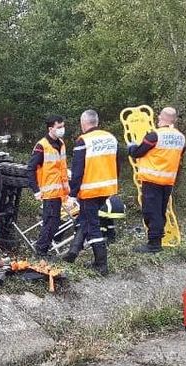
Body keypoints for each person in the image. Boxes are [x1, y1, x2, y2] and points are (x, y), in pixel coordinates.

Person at [62, 110, 119, 276]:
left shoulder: (84, 141)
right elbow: (117, 163)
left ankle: (101, 264)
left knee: (92, 225)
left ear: (83, 123)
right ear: (96, 122)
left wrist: (72, 194)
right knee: (86, 219)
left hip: (90, 190)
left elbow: (78, 170)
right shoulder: (111, 138)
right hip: (107, 188)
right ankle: (72, 253)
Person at [128, 107, 186, 253]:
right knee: (160, 212)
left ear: (161, 118)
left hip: (152, 180)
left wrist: (131, 146)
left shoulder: (155, 136)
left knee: (151, 212)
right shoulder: (181, 138)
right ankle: (157, 240)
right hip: (168, 182)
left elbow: (137, 152)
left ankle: (154, 244)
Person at [27, 115, 70, 258]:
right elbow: (31, 168)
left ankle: (43, 248)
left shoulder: (61, 143)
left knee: (55, 222)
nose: (62, 129)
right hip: (48, 191)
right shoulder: (42, 145)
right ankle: (41, 250)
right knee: (50, 222)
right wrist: (36, 190)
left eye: (63, 126)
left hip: (59, 192)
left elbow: (61, 167)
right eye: (59, 127)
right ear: (51, 128)